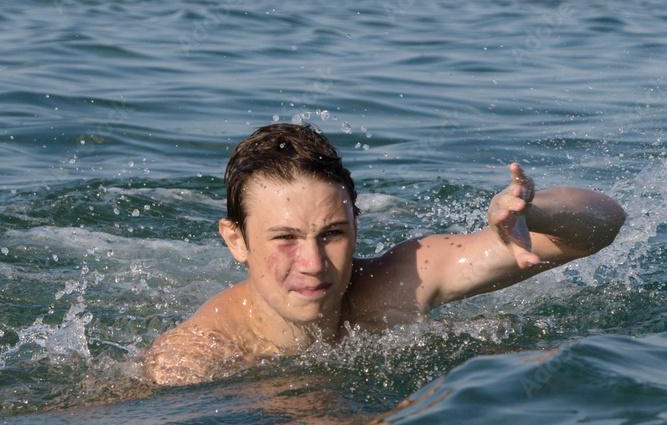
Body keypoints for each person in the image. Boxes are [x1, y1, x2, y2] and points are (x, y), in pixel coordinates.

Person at [140, 122, 626, 386]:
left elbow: (602, 224)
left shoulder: (398, 280)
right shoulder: (197, 360)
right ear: (236, 241)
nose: (313, 264)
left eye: (331, 234)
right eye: (284, 238)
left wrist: (532, 216)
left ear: (356, 224)